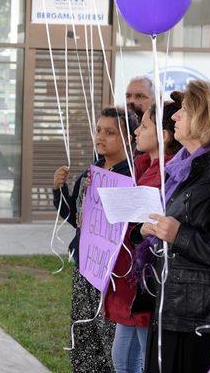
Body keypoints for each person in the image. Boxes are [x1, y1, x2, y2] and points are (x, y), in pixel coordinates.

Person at [135, 81, 210, 373]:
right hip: (169, 307)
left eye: (184, 110)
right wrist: (148, 230)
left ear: (209, 117)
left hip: (199, 321)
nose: (175, 116)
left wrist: (179, 235)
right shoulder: (183, 168)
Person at [53, 107, 138, 373]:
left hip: (111, 274)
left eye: (110, 132)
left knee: (110, 341)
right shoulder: (94, 170)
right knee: (84, 339)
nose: (100, 137)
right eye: (98, 130)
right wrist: (60, 191)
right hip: (84, 266)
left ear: (127, 138)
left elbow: (126, 226)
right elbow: (75, 219)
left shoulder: (131, 176)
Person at [106, 100, 181, 373]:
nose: (137, 132)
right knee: (123, 358)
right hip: (128, 276)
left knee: (136, 359)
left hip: (146, 280)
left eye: (145, 126)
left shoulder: (168, 173)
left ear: (163, 135)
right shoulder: (139, 165)